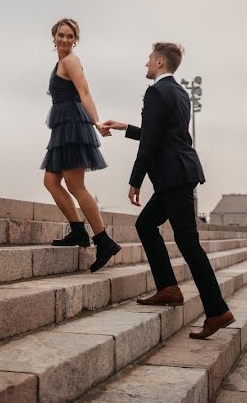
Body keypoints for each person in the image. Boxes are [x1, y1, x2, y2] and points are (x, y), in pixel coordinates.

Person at [101, 42, 233, 339]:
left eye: (149, 59)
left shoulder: (156, 92)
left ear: (160, 62)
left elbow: (151, 144)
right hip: (178, 173)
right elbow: (161, 133)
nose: (146, 64)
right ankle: (169, 288)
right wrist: (126, 127)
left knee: (188, 243)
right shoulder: (179, 92)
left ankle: (217, 310)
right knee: (146, 225)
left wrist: (135, 181)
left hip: (173, 176)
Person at [41, 18, 121, 272]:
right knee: (51, 182)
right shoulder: (60, 63)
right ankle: (78, 231)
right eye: (61, 35)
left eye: (70, 36)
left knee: (76, 186)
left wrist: (96, 122)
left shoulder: (71, 61)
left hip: (73, 126)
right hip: (63, 126)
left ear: (75, 40)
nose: (65, 39)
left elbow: (85, 92)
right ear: (53, 36)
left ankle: (103, 240)